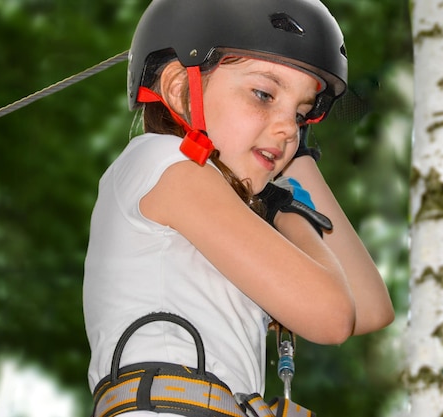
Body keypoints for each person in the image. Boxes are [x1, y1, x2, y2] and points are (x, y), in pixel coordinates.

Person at [83, 0, 394, 416]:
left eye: (302, 116)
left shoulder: (205, 216)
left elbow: (369, 307)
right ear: (180, 89)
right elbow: (333, 315)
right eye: (264, 94)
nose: (288, 128)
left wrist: (293, 159)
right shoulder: (164, 162)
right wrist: (288, 210)